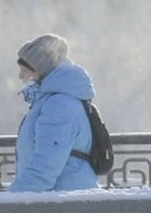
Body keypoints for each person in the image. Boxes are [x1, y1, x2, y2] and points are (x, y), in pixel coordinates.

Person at [8, 33, 99, 192]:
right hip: (62, 200)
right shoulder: (52, 101)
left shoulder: (58, 106)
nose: (20, 76)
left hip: (62, 203)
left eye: (24, 70)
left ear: (39, 70)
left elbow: (44, 169)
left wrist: (10, 201)